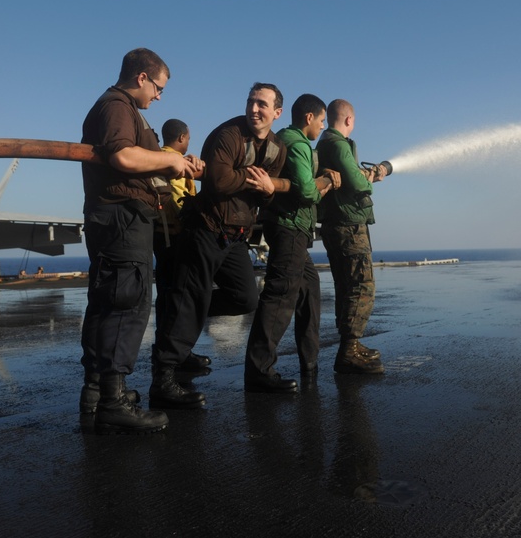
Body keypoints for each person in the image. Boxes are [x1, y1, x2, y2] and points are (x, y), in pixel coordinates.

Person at [79, 48, 201, 434]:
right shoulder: (117, 106)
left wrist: (179, 164)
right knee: (125, 305)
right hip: (122, 218)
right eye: (159, 87)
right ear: (142, 77)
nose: (160, 96)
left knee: (107, 304)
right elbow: (123, 157)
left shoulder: (125, 109)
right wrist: (169, 162)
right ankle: (113, 401)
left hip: (118, 218)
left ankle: (98, 392)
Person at [151, 83, 288, 406]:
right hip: (206, 229)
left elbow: (264, 194)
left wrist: (266, 188)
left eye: (262, 105)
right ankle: (164, 381)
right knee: (190, 301)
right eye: (251, 102)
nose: (254, 109)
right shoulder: (228, 135)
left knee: (245, 298)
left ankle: (186, 313)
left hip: (236, 235)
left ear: (276, 113)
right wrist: (253, 180)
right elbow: (218, 180)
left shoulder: (276, 149)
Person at [244, 94, 340, 392]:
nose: (322, 126)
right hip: (290, 227)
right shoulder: (298, 143)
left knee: (310, 289)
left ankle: (309, 362)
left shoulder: (286, 139)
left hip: (287, 227)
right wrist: (326, 181)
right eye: (322, 120)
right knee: (280, 295)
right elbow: (306, 192)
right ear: (309, 118)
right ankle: (259, 371)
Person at [316, 99, 387, 374]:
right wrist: (370, 175)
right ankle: (349, 351)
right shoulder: (337, 143)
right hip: (348, 226)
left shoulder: (326, 143)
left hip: (338, 225)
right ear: (348, 120)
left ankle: (350, 346)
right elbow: (358, 183)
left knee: (347, 287)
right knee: (361, 285)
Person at [153, 118, 210, 373]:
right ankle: (174, 355)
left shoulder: (155, 157)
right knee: (179, 295)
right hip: (176, 234)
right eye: (188, 138)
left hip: (160, 234)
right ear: (182, 138)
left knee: (166, 293)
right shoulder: (175, 161)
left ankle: (170, 349)